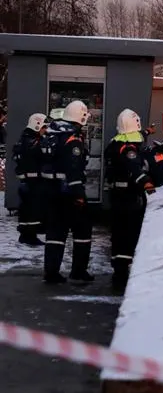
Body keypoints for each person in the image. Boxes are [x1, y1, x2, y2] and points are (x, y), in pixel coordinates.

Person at [40, 101, 93, 284]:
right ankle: (78, 270)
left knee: (55, 233)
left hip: (51, 190)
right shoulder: (73, 139)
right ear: (82, 117)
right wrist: (78, 194)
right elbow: (73, 169)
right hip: (68, 192)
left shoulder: (53, 133)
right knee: (83, 231)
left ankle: (51, 271)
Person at [105, 109, 155, 288]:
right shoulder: (129, 149)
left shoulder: (114, 144)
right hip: (129, 198)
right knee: (128, 234)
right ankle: (121, 275)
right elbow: (135, 168)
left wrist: (147, 132)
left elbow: (134, 136)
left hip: (116, 196)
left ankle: (118, 268)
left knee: (118, 233)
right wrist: (147, 183)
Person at [13, 113, 48, 246]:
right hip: (33, 182)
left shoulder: (24, 139)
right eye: (44, 127)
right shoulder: (33, 142)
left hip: (25, 182)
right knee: (33, 209)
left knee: (26, 209)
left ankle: (25, 234)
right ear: (37, 125)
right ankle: (31, 235)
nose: (45, 130)